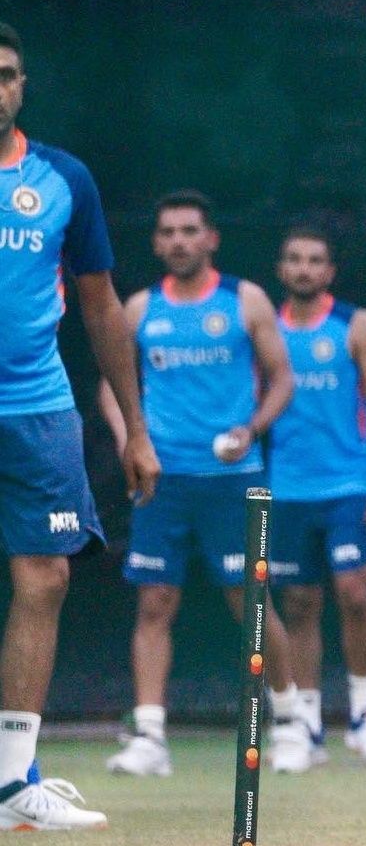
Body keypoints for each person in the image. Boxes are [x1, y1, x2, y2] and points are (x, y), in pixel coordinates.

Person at [0, 23, 161, 830]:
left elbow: (99, 305)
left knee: (47, 578)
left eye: (6, 75)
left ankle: (9, 785)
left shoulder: (64, 178)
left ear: (22, 85)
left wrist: (136, 428)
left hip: (38, 409)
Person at [100, 191, 311, 775]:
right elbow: (111, 386)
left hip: (236, 478)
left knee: (252, 601)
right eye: (167, 231)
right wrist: (129, 440)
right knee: (154, 600)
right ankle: (148, 737)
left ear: (211, 238)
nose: (178, 241)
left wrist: (253, 428)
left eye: (190, 230)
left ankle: (293, 723)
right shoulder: (140, 308)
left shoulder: (245, 300)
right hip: (163, 479)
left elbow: (283, 380)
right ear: (156, 242)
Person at [269, 227, 366, 764]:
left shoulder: (356, 324)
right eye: (295, 259)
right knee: (299, 603)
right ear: (282, 269)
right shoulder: (263, 327)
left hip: (349, 484)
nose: (304, 268)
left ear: (329, 272)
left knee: (355, 593)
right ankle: (306, 725)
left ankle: (364, 715)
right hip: (284, 488)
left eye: (315, 261)